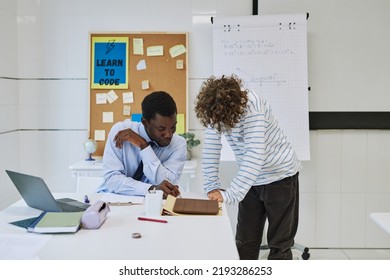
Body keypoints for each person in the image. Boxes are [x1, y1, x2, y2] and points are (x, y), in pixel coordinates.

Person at [194, 75, 301, 260]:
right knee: (245, 242)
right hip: (251, 180)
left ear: (233, 108)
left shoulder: (252, 105)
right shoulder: (215, 109)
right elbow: (211, 147)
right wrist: (211, 186)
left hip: (280, 176)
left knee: (279, 245)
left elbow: (254, 154)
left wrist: (229, 194)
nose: (221, 123)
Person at [97, 91, 187, 198]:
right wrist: (150, 189)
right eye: (161, 129)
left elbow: (169, 185)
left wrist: (144, 146)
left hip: (151, 203)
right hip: (112, 198)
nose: (168, 134)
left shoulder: (178, 144)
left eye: (173, 127)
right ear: (145, 123)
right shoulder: (120, 131)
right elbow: (112, 179)